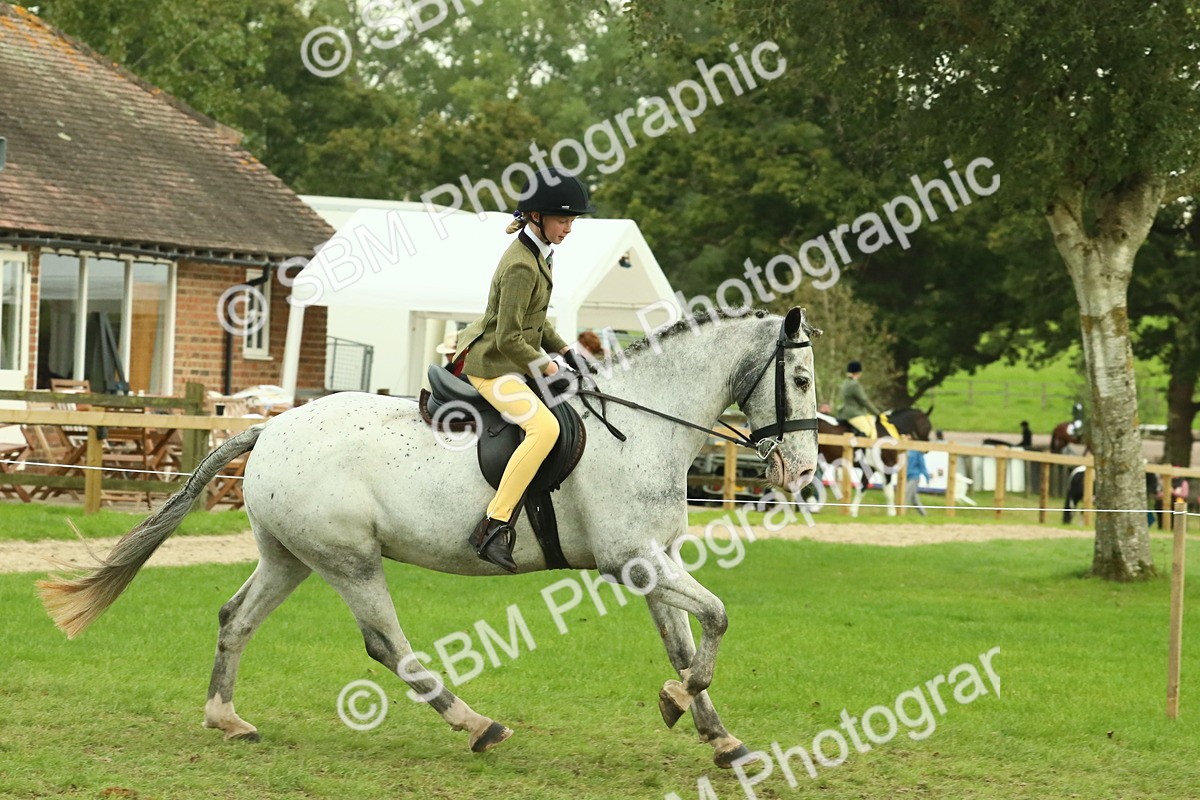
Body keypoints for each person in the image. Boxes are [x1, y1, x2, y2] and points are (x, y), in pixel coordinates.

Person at [453, 168, 596, 572]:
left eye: (571, 221)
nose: (569, 229)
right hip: (493, 368)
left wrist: (568, 349)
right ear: (537, 216)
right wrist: (549, 365)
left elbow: (537, 321)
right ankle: (493, 525)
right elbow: (508, 338)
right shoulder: (521, 265)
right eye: (564, 220)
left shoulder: (537, 254)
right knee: (545, 428)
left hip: (515, 362)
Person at [837, 361, 898, 438]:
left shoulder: (845, 383)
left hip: (846, 412)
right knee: (867, 430)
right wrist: (877, 413)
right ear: (858, 372)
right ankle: (858, 449)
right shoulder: (855, 385)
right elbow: (864, 401)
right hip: (854, 414)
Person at [904, 444, 940, 517]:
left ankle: (901, 513)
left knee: (906, 494)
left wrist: (927, 478)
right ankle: (924, 514)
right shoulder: (910, 450)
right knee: (914, 499)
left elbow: (922, 467)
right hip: (907, 477)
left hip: (914, 477)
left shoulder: (918, 454)